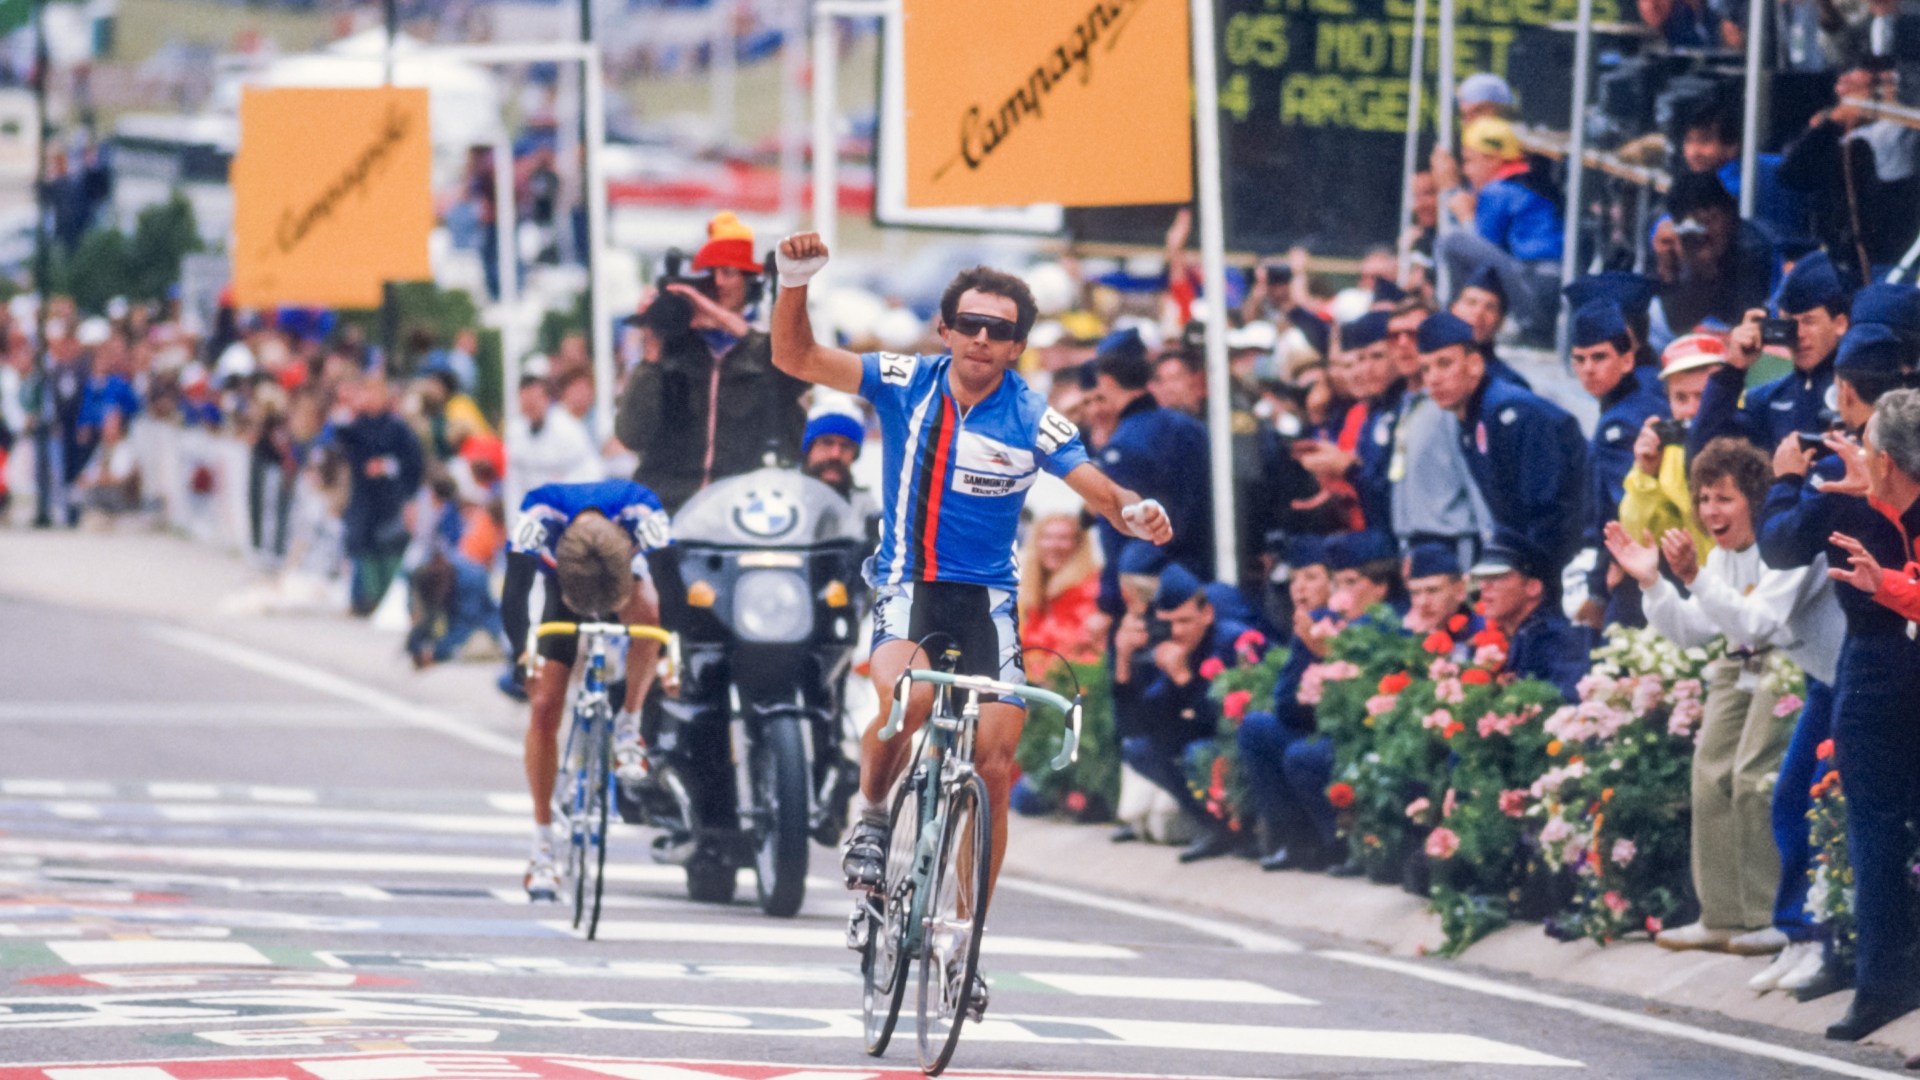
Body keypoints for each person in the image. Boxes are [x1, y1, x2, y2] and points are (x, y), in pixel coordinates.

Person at [768, 232, 1172, 1020]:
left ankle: (964, 942)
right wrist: (793, 283)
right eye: (971, 324)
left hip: (986, 601)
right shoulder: (903, 380)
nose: (983, 339)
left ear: (1018, 346)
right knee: (910, 701)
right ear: (946, 329)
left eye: (1000, 330)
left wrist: (1136, 510)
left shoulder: (1034, 417)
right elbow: (796, 357)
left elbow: (1097, 489)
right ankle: (873, 818)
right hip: (909, 584)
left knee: (994, 762)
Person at [1607, 438, 1843, 962]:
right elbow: (1692, 630)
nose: (1711, 511)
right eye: (1703, 499)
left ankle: (1768, 916)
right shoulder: (1719, 555)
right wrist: (1653, 583)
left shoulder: (1782, 547)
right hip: (1743, 660)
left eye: (1724, 498)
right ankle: (1721, 915)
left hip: (1791, 659)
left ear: (1755, 500)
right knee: (1709, 773)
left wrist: (1693, 577)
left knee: (1754, 776)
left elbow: (1759, 623)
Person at [1756, 325, 1920, 1039]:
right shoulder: (1877, 468)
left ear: (1847, 390)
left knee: (1875, 826)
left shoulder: (1843, 469)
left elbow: (1780, 544)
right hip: (1890, 647)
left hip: (1878, 661)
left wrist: (1786, 480)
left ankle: (1883, 980)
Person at [501, 478, 673, 900]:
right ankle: (542, 844)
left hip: (621, 581)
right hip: (565, 590)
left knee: (652, 616)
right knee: (544, 707)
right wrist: (522, 653)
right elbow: (514, 594)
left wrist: (671, 655)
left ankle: (629, 723)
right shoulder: (538, 513)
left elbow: (674, 586)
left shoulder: (643, 509)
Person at [615, 211, 809, 513]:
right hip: (669, 504)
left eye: (728, 273)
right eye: (709, 275)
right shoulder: (675, 349)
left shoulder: (762, 346)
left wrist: (729, 324)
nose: (718, 284)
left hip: (739, 509)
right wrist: (653, 349)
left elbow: (797, 378)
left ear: (749, 282)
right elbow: (631, 435)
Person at [1419, 312, 1589, 586]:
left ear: (1475, 364)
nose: (1433, 379)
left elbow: (1547, 513)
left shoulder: (1512, 412)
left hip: (1568, 563)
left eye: (1444, 364)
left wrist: (1523, 577)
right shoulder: (1473, 419)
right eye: (1425, 369)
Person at [1117, 563, 1259, 864]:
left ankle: (1249, 829)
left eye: (1185, 621)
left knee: (1198, 752)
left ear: (1207, 614)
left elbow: (1226, 721)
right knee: (1140, 748)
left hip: (1238, 743)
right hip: (1208, 741)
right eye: (1168, 623)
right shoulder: (1168, 645)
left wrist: (1183, 678)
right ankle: (1214, 827)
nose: (1177, 631)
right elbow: (1136, 724)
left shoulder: (1233, 641)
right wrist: (1123, 662)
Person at [1085, 328, 1215, 619]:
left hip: (1150, 587)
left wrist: (1108, 603)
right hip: (1203, 573)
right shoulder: (1190, 427)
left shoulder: (1124, 445)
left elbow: (1118, 530)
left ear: (1107, 381)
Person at [1687, 252, 1848, 462]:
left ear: (1840, 324)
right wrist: (1732, 371)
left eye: (1809, 321)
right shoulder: (1767, 400)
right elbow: (1703, 458)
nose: (1798, 334)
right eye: (1788, 323)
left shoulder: (1859, 392)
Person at [1570, 299, 1672, 629]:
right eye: (1579, 359)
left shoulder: (1618, 423)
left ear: (1627, 360)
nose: (1588, 368)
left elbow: (1624, 511)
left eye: (1599, 357)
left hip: (1635, 570)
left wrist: (1599, 586)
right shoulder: (1648, 388)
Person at [1780, 62, 1920, 279]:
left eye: (1885, 84)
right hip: (1841, 255)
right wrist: (1832, 123)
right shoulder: (1834, 135)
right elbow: (1790, 174)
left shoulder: (1894, 133)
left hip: (1890, 257)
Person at [1433, 117, 1563, 345]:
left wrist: (1459, 205)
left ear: (1493, 159)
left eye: (1469, 161)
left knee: (1452, 242)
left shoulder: (1498, 190)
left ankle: (1452, 320)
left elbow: (1478, 255)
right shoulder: (1526, 182)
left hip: (1535, 285)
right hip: (1548, 285)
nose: (1466, 171)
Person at [1386, 300, 1492, 568]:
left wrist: (1492, 548)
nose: (1403, 344)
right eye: (1394, 336)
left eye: (1413, 334)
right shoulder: (1407, 402)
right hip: (1412, 541)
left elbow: (1474, 480)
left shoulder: (1448, 402)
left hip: (1452, 541)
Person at [1620, 333, 1727, 564]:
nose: (1691, 410)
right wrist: (1647, 475)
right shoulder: (1669, 454)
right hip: (1705, 580)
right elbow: (1638, 539)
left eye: (1703, 396)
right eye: (1680, 398)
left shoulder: (1755, 429)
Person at [334, 377, 425, 616]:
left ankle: (384, 599)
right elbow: (340, 440)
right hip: (363, 497)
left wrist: (386, 466)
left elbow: (412, 462)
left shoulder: (397, 427)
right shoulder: (357, 424)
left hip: (389, 498)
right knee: (361, 545)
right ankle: (363, 598)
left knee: (388, 547)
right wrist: (347, 408)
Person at [1470, 530, 1594, 703]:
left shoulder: (1556, 639)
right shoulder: (1523, 633)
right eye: (1482, 578)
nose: (1484, 586)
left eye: (1497, 577)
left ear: (1533, 588)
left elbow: (1565, 703)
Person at [1652, 171, 1779, 336]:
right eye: (1695, 226)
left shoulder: (1754, 248)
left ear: (1730, 213)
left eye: (1709, 221)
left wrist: (1708, 274)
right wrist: (1668, 271)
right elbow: (1674, 324)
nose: (1703, 233)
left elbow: (1746, 324)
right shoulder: (1673, 242)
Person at [504, 374, 602, 514]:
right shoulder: (515, 432)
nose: (530, 406)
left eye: (534, 400)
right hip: (533, 509)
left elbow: (591, 472)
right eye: (526, 401)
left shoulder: (569, 429)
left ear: (546, 399)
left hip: (569, 505)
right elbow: (513, 483)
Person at [1018, 513, 1103, 668]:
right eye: (1046, 537)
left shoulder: (1092, 589)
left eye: (1063, 538)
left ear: (1079, 544)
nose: (1053, 545)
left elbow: (1072, 647)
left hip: (1073, 676)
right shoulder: (1036, 591)